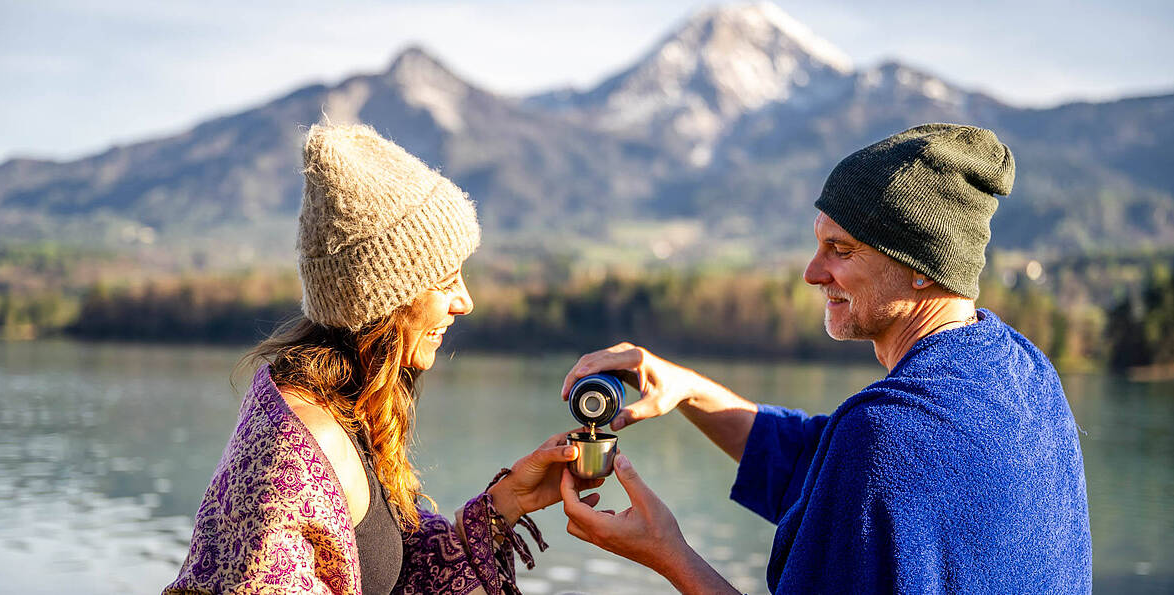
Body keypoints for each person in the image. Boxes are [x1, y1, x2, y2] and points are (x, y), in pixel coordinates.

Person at [558, 124, 1092, 593]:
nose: (812, 274)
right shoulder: (1022, 370)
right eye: (818, 245)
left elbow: (868, 459)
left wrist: (666, 553)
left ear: (924, 266)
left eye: (842, 250)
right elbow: (826, 469)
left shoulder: (889, 433)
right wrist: (690, 390)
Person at [166, 124, 600, 595]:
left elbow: (387, 568)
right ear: (385, 300)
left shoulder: (344, 408)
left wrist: (507, 500)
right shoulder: (302, 446)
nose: (465, 302)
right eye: (445, 280)